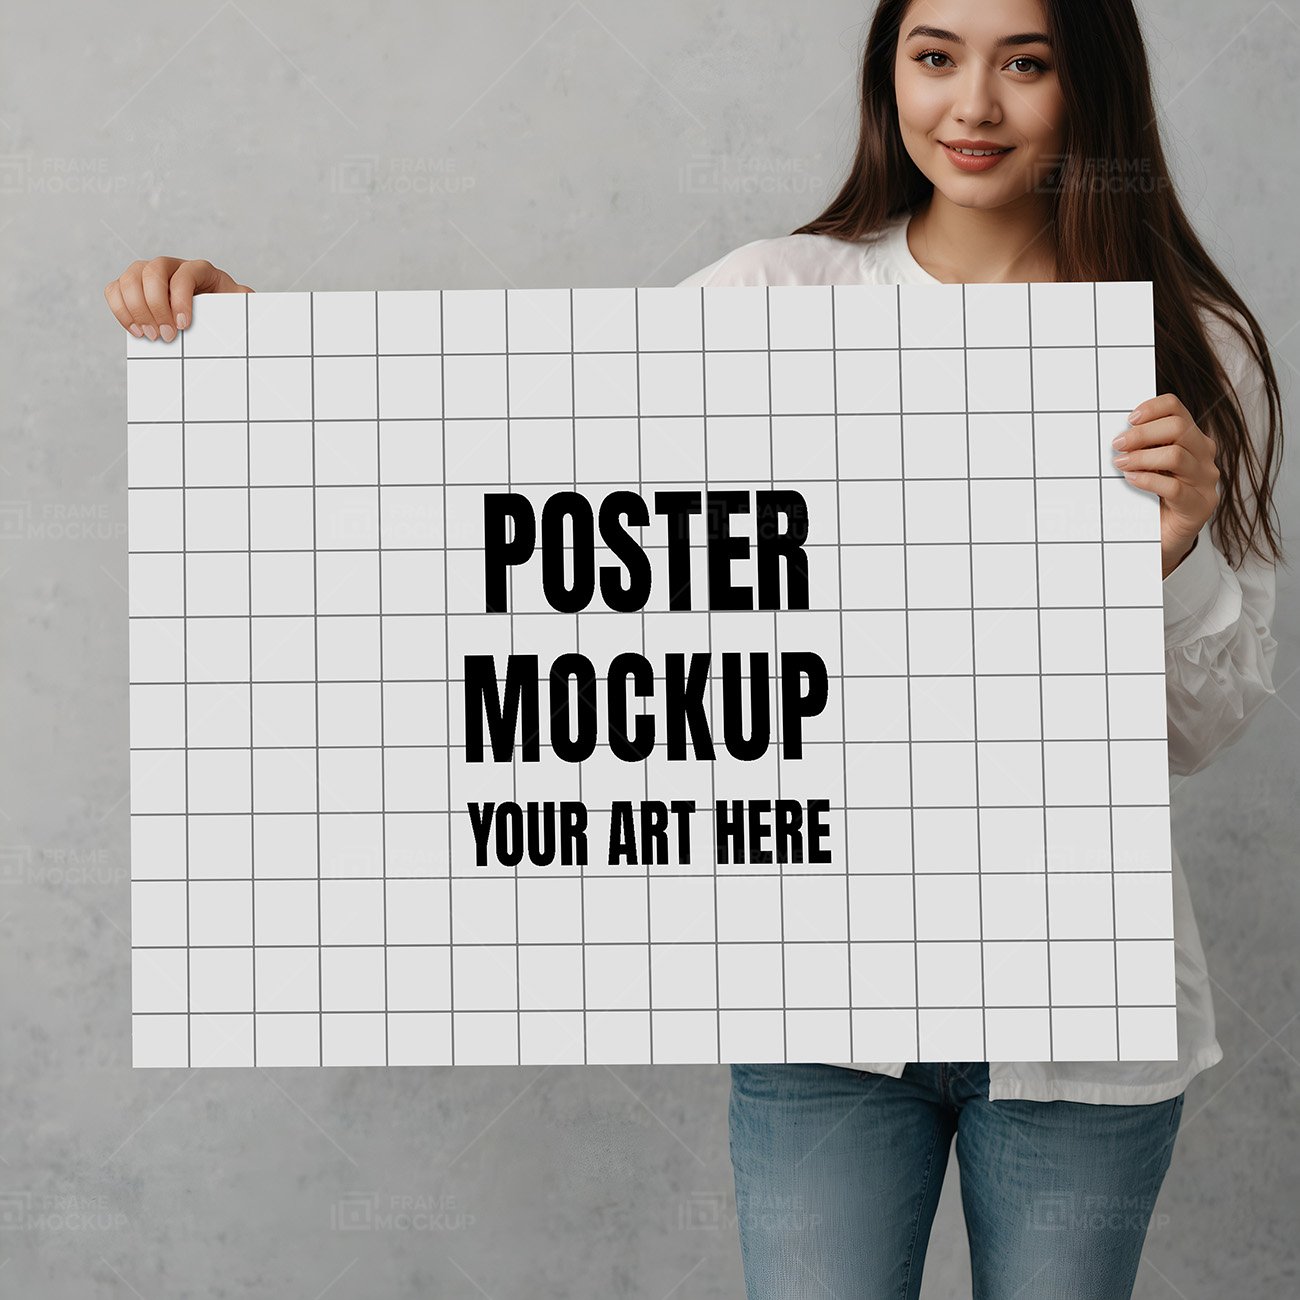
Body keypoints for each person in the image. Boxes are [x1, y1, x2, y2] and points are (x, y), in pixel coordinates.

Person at [105, 0, 1284, 1294]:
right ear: (888, 72)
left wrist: (1175, 555)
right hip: (827, 1019)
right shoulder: (776, 293)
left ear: (1090, 85)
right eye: (935, 56)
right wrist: (255, 363)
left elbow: (1199, 731)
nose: (973, 106)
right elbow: (520, 468)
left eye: (1027, 63)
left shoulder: (1186, 341)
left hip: (1086, 1027)